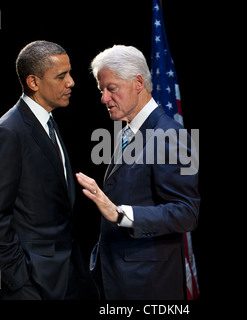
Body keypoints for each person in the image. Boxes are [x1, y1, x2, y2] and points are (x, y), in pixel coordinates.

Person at [75, 45, 200, 299]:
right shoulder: (127, 131)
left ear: (138, 83)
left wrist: (121, 214)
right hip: (119, 279)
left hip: (148, 287)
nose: (103, 98)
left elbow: (187, 213)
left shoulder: (171, 136)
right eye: (102, 90)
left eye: (111, 88)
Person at [0, 40, 88, 300]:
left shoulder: (48, 121)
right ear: (33, 82)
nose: (71, 82)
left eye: (69, 73)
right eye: (61, 76)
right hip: (30, 282)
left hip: (62, 273)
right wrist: (19, 280)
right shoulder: (8, 132)